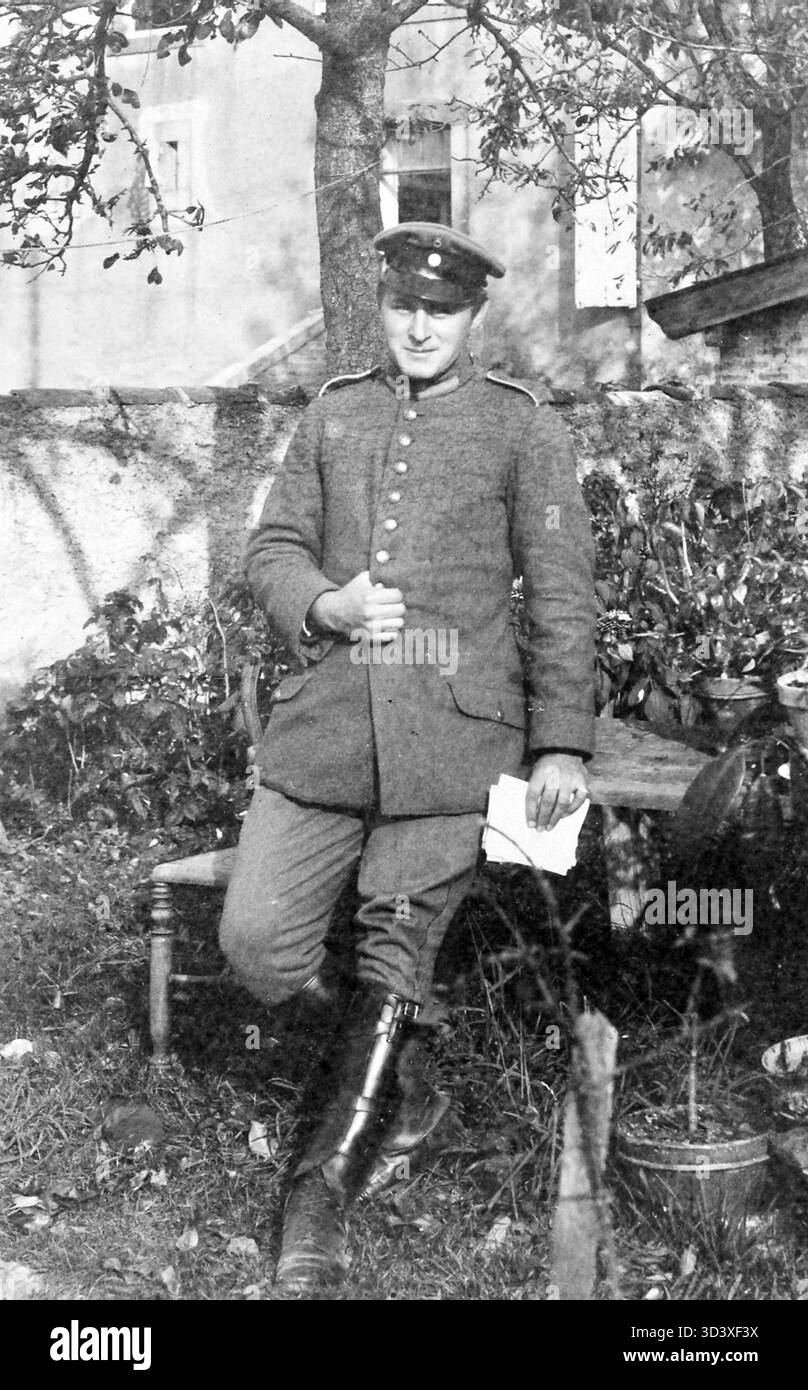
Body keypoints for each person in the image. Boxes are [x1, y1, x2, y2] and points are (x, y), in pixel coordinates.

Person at [220, 221, 596, 1291]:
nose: (420, 325)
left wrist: (561, 743)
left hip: (453, 745)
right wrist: (323, 602)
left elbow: (564, 598)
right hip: (327, 733)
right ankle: (407, 1074)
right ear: (380, 308)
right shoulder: (335, 410)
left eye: (442, 309)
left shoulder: (522, 429)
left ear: (476, 316)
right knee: (255, 943)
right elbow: (271, 549)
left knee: (395, 932)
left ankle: (319, 1196)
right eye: (402, 306)